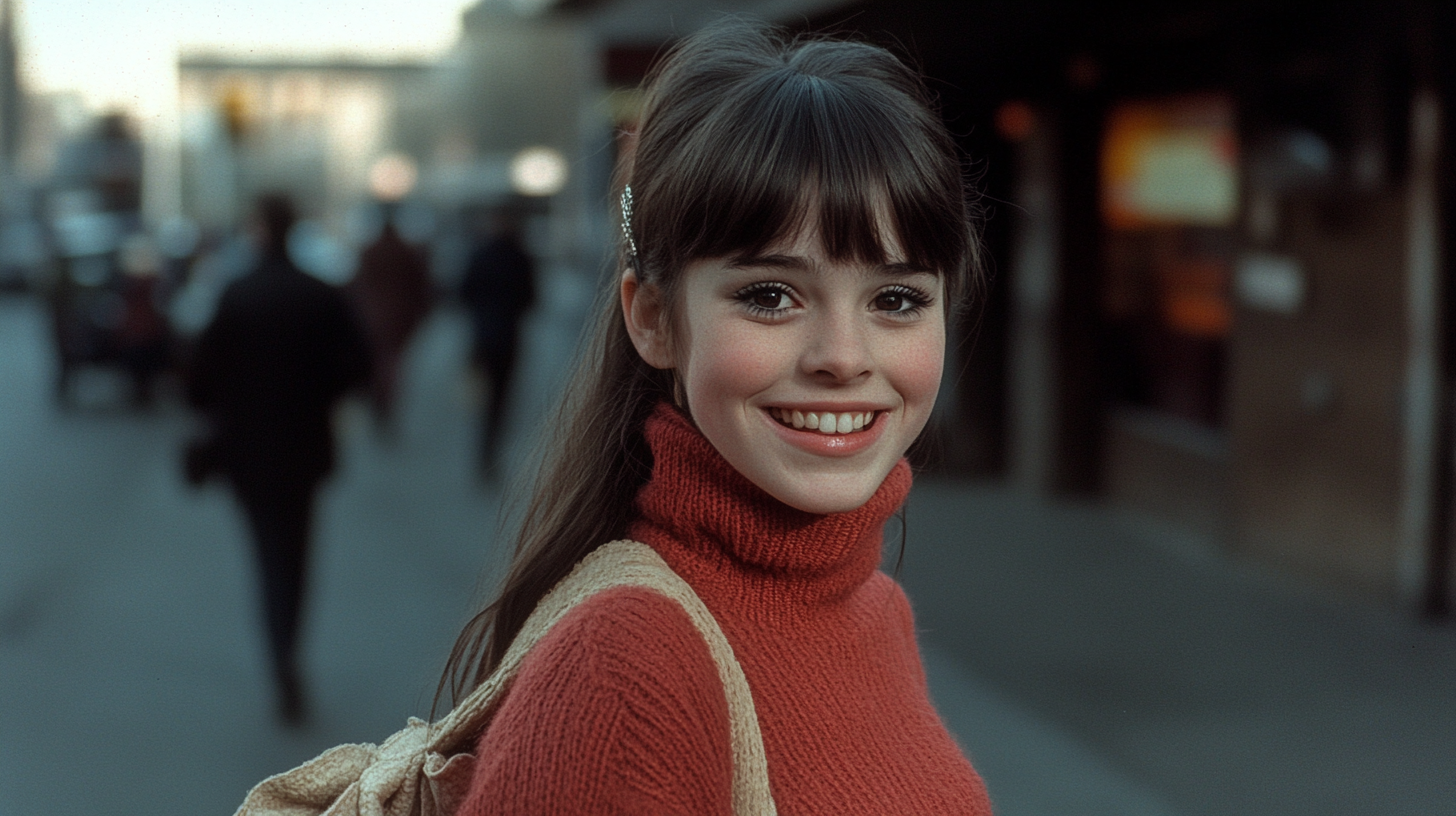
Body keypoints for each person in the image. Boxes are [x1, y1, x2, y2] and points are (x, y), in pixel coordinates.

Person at [441, 20, 992, 814]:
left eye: (897, 299)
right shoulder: (624, 676)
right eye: (770, 295)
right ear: (654, 318)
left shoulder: (876, 609)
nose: (843, 356)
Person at [185, 193, 370, 726]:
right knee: (295, 556)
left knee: (266, 555)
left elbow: (199, 379)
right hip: (304, 449)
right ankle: (288, 654)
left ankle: (280, 658)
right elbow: (356, 366)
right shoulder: (320, 295)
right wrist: (316, 394)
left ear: (259, 231)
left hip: (246, 454)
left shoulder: (236, 295)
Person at [458, 206, 537, 478]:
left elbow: (463, 293)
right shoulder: (520, 257)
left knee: (484, 396)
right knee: (501, 397)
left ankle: (484, 450)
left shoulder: (480, 255)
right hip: (508, 337)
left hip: (482, 337)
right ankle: (490, 450)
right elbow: (531, 299)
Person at [347, 208, 434, 432]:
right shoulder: (406, 251)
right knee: (392, 363)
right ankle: (386, 402)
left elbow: (357, 284)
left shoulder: (370, 251)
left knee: (379, 362)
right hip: (400, 318)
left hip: (373, 317)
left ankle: (379, 401)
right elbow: (420, 286)